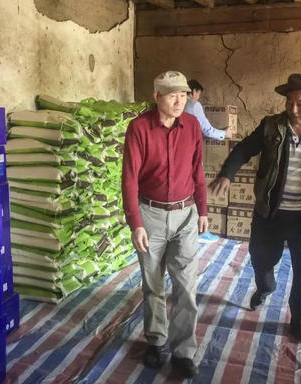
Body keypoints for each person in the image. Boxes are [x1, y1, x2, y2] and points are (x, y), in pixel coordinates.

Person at [209, 73, 301, 344]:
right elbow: (244, 149)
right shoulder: (271, 127)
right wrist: (227, 174)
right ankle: (266, 286)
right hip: (271, 212)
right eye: (289, 102)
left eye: (300, 103)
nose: (293, 109)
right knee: (260, 258)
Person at [122, 71, 208, 378]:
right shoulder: (139, 128)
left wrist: (203, 210)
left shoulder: (192, 126)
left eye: (183, 95)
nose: (179, 101)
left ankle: (184, 351)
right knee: (153, 284)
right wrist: (136, 223)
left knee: (186, 284)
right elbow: (129, 178)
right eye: (172, 95)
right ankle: (156, 342)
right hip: (151, 215)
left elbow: (198, 169)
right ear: (156, 96)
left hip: (186, 214)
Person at [184, 79, 233, 244]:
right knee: (197, 188)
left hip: (177, 155)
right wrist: (224, 134)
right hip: (191, 153)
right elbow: (206, 129)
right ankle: (201, 229)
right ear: (193, 91)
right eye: (198, 94)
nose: (198, 97)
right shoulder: (193, 105)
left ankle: (188, 229)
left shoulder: (175, 107)